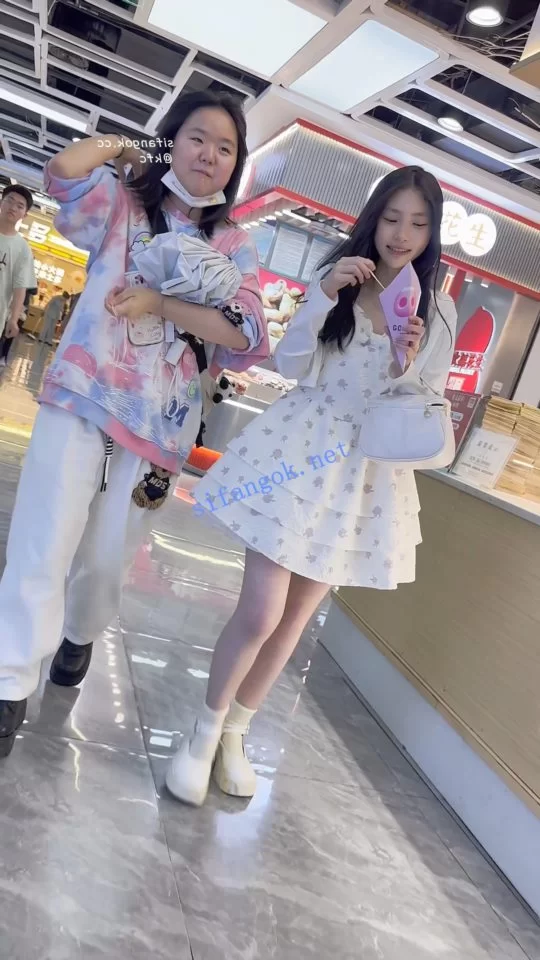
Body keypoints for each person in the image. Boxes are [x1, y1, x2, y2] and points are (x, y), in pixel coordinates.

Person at [166, 165, 458, 807]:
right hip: (301, 451)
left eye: (417, 223)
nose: (402, 234)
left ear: (432, 232)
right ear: (373, 218)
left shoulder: (436, 307)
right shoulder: (340, 275)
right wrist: (324, 294)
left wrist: (407, 362)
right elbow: (294, 363)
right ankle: (203, 730)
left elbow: (424, 402)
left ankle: (236, 735)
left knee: (296, 619)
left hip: (364, 472)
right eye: (392, 218)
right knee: (261, 612)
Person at [0, 90, 268, 758]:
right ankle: (9, 680)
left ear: (235, 165)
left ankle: (80, 632)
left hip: (160, 428)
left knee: (104, 559)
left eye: (226, 148)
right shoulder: (123, 204)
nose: (209, 155)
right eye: (197, 137)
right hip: (81, 395)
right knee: (41, 538)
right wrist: (128, 147)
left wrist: (161, 304)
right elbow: (62, 172)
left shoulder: (235, 244)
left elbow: (247, 334)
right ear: (172, 141)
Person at [0, 185, 36, 368]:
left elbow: (20, 287)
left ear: (25, 214)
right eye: (10, 200)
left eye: (20, 206)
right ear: (1, 202)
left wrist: (14, 319)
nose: (13, 207)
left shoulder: (23, 249)